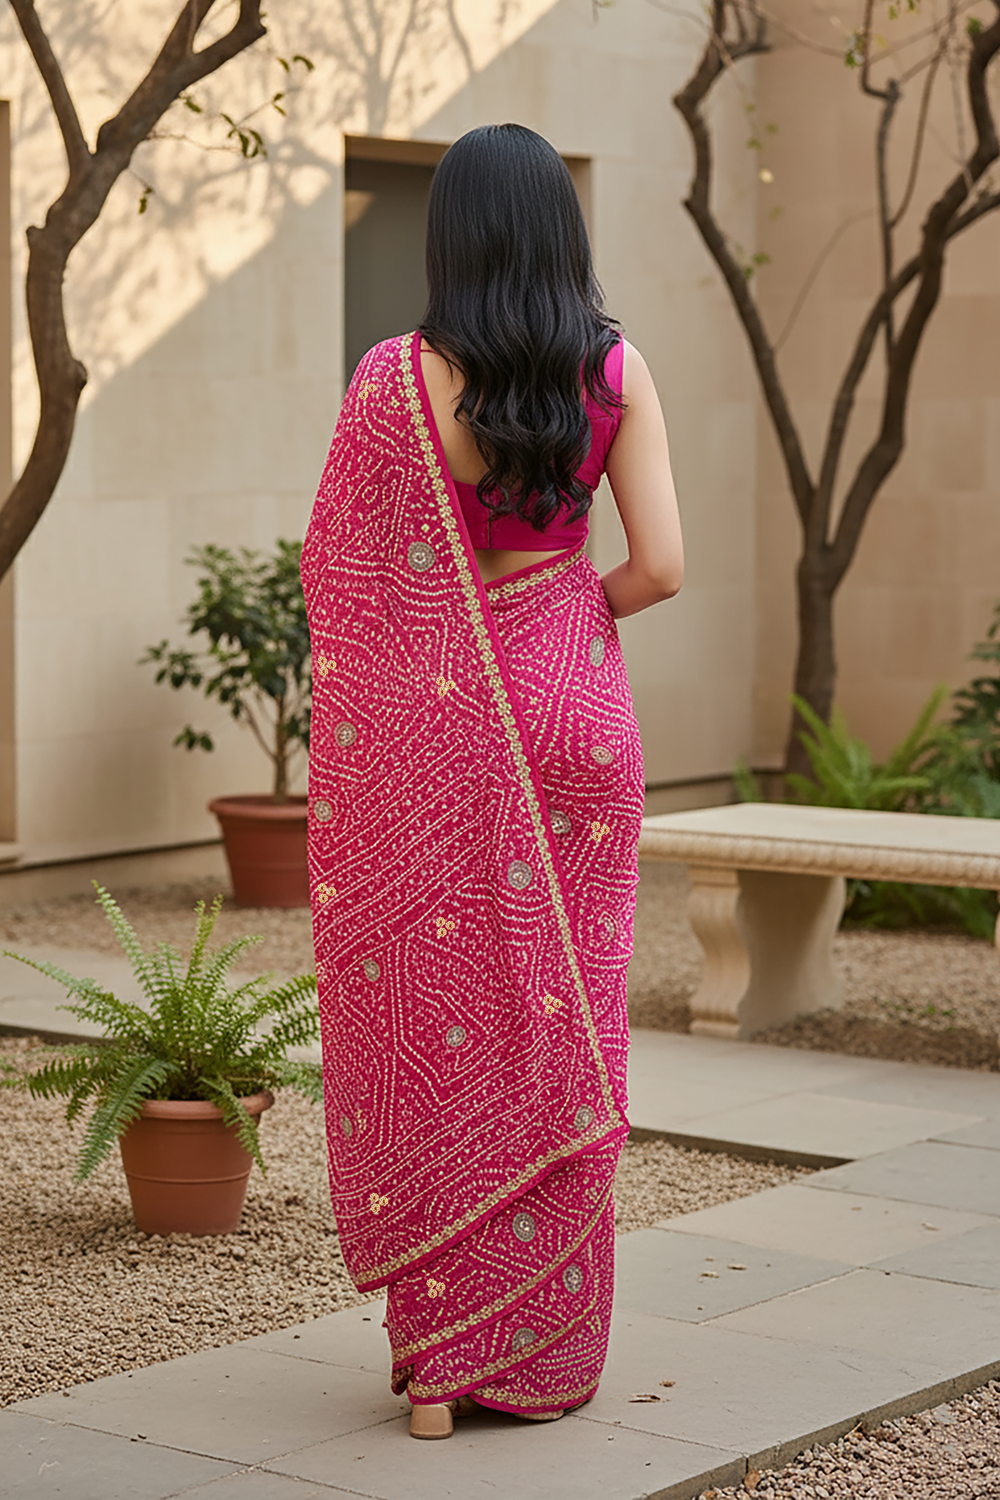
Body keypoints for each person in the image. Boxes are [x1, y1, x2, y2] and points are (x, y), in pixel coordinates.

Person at [301, 122, 683, 1441]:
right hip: (578, 709)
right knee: (565, 1027)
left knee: (449, 1011)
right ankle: (542, 1358)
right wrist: (580, 621)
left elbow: (344, 582)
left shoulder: (397, 382)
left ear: (449, 234)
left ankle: (442, 1369)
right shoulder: (617, 366)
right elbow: (665, 566)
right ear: (561, 233)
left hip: (446, 731)